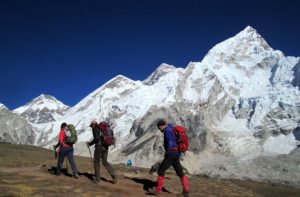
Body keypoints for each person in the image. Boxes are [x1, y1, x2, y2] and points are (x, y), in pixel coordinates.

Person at [149, 119, 190, 197]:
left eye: (159, 128)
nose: (159, 130)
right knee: (180, 172)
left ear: (161, 126)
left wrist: (169, 151)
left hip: (171, 154)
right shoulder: (172, 129)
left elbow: (170, 142)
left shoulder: (167, 131)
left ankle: (158, 190)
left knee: (161, 169)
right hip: (177, 154)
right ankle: (186, 190)